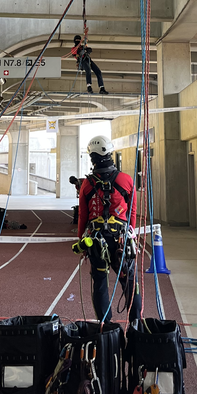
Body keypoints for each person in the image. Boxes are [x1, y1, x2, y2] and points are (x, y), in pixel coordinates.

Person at [77, 135, 141, 321]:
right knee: (129, 282)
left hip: (96, 241)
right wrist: (131, 233)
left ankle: (106, 328)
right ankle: (135, 324)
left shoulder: (87, 184)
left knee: (100, 284)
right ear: (110, 153)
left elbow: (83, 215)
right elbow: (132, 211)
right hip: (121, 240)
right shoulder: (126, 180)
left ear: (92, 157)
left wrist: (81, 240)